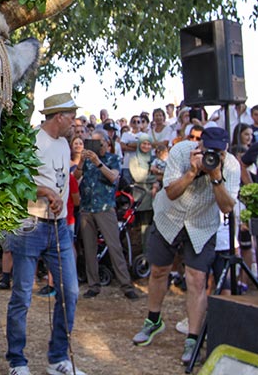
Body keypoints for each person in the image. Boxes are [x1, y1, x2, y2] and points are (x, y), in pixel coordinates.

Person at [132, 127, 240, 365]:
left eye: (216, 153)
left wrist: (216, 177)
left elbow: (226, 207)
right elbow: (170, 192)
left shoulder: (230, 166)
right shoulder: (181, 152)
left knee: (197, 279)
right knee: (159, 270)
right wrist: (192, 172)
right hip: (169, 218)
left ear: (224, 152)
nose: (210, 155)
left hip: (201, 226)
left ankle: (192, 338)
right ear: (199, 145)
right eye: (206, 150)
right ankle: (153, 321)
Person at [5, 93, 86, 375]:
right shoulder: (31, 141)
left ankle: (58, 359)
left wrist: (57, 195)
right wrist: (45, 192)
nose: (75, 124)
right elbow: (14, 184)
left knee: (70, 292)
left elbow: (62, 181)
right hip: (30, 225)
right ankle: (17, 361)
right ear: (59, 117)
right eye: (72, 117)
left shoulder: (64, 144)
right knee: (22, 296)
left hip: (59, 228)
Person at [78, 131, 138, 299]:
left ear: (106, 142)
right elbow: (76, 177)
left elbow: (113, 178)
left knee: (114, 246)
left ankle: (126, 285)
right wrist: (82, 162)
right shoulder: (87, 160)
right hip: (87, 208)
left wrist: (98, 163)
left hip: (105, 208)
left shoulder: (113, 159)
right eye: (92, 142)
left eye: (98, 142)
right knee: (89, 248)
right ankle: (93, 284)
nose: (96, 145)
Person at [129, 134, 160, 255]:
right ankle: (145, 255)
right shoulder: (134, 159)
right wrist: (156, 178)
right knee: (144, 229)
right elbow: (138, 177)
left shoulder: (154, 159)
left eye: (149, 144)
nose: (146, 146)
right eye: (144, 143)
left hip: (155, 199)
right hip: (142, 199)